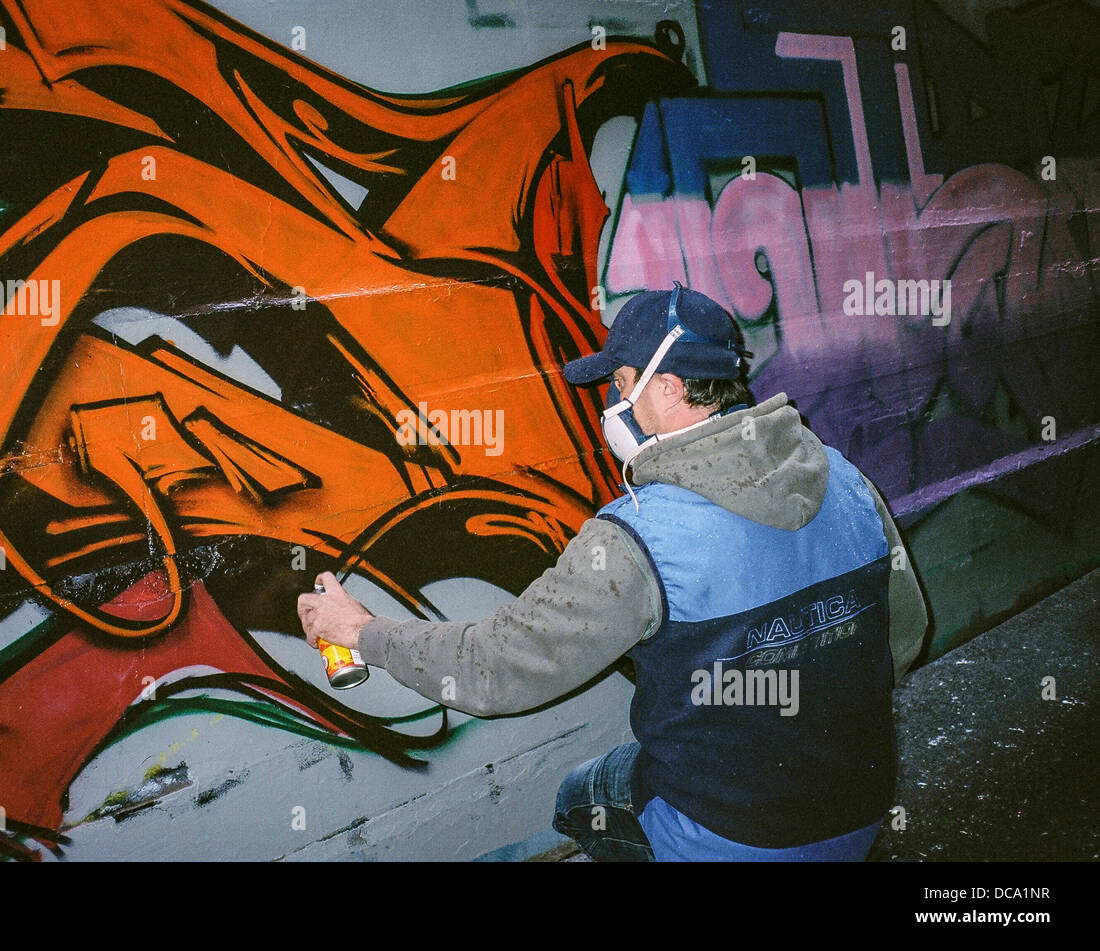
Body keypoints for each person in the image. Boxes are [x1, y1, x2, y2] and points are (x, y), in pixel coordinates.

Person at [297, 283, 929, 861]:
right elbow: (904, 637)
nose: (615, 403)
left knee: (581, 796)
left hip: (738, 838)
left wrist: (362, 632)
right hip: (860, 809)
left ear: (671, 389)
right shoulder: (844, 479)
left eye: (623, 383)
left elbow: (491, 671)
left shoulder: (639, 538)